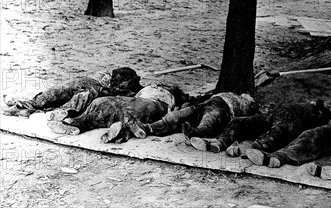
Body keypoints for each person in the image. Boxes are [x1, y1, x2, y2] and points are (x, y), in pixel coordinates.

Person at [189, 101, 331, 165]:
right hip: (276, 113)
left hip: (291, 120)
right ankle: (220, 142)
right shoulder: (315, 108)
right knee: (240, 122)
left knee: (276, 133)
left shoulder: (322, 117)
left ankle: (254, 150)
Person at [46, 84, 188, 143]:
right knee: (101, 103)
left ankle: (123, 129)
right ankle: (76, 123)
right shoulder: (146, 88)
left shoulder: (170, 94)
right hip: (136, 99)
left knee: (128, 113)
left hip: (153, 102)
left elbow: (185, 105)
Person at [2, 67, 142, 118]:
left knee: (81, 94)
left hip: (91, 101)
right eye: (114, 83)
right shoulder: (106, 82)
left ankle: (50, 111)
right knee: (67, 88)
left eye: (121, 86)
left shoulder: (138, 93)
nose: (117, 87)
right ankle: (28, 105)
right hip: (87, 89)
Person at [126, 92, 258, 139]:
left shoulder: (247, 105)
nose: (248, 96)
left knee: (207, 122)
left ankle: (196, 133)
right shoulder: (238, 97)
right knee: (178, 116)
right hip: (210, 102)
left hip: (224, 109)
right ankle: (148, 127)